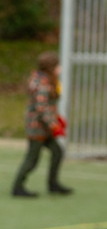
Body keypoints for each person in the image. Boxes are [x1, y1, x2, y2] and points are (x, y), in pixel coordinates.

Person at [12, 51, 73, 197]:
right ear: (51, 67)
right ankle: (17, 187)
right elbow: (42, 108)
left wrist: (56, 120)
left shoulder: (49, 80)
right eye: (58, 66)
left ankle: (53, 184)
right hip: (37, 128)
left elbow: (49, 105)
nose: (60, 68)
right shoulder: (41, 83)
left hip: (45, 128)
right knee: (32, 159)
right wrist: (54, 125)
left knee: (57, 152)